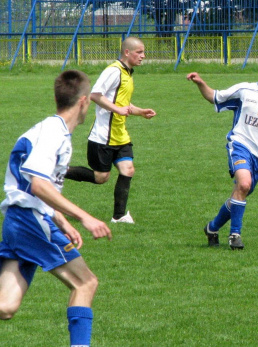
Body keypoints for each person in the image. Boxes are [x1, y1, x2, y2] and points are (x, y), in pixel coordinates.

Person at [0, 70, 112, 346]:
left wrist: (63, 223)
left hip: (21, 219)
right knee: (86, 283)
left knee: (5, 306)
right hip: (28, 219)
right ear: (84, 101)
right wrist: (84, 216)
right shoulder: (54, 133)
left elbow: (36, 188)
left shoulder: (51, 130)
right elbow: (38, 186)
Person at [186, 54, 258, 250]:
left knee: (240, 193)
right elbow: (214, 97)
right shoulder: (245, 91)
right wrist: (200, 83)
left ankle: (211, 228)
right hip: (240, 144)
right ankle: (235, 235)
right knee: (243, 184)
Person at [65, 37, 157, 224]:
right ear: (127, 52)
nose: (143, 56)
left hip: (119, 135)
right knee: (101, 177)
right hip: (103, 137)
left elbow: (122, 103)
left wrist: (140, 112)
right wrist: (117, 109)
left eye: (143, 52)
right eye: (139, 52)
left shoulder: (128, 73)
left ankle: (119, 216)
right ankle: (58, 170)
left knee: (128, 169)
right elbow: (95, 95)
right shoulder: (114, 71)